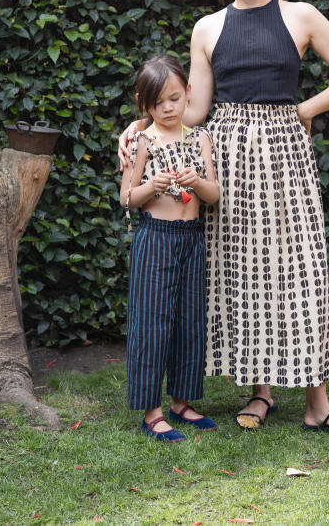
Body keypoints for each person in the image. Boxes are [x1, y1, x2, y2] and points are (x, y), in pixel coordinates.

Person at [121, 0, 329, 435]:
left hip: (285, 154)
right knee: (244, 273)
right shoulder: (208, 27)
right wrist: (139, 126)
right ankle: (261, 393)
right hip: (228, 156)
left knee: (301, 270)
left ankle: (318, 404)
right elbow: (194, 110)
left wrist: (302, 110)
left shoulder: (301, 16)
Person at [120, 54, 220, 442]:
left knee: (189, 320)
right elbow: (127, 198)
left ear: (188, 93)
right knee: (151, 322)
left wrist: (197, 181)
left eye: (174, 99)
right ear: (143, 103)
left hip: (191, 238)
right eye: (157, 102)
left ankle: (182, 401)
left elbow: (214, 195)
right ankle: (152, 411)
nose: (167, 108)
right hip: (155, 238)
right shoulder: (142, 141)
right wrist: (151, 186)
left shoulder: (200, 138)